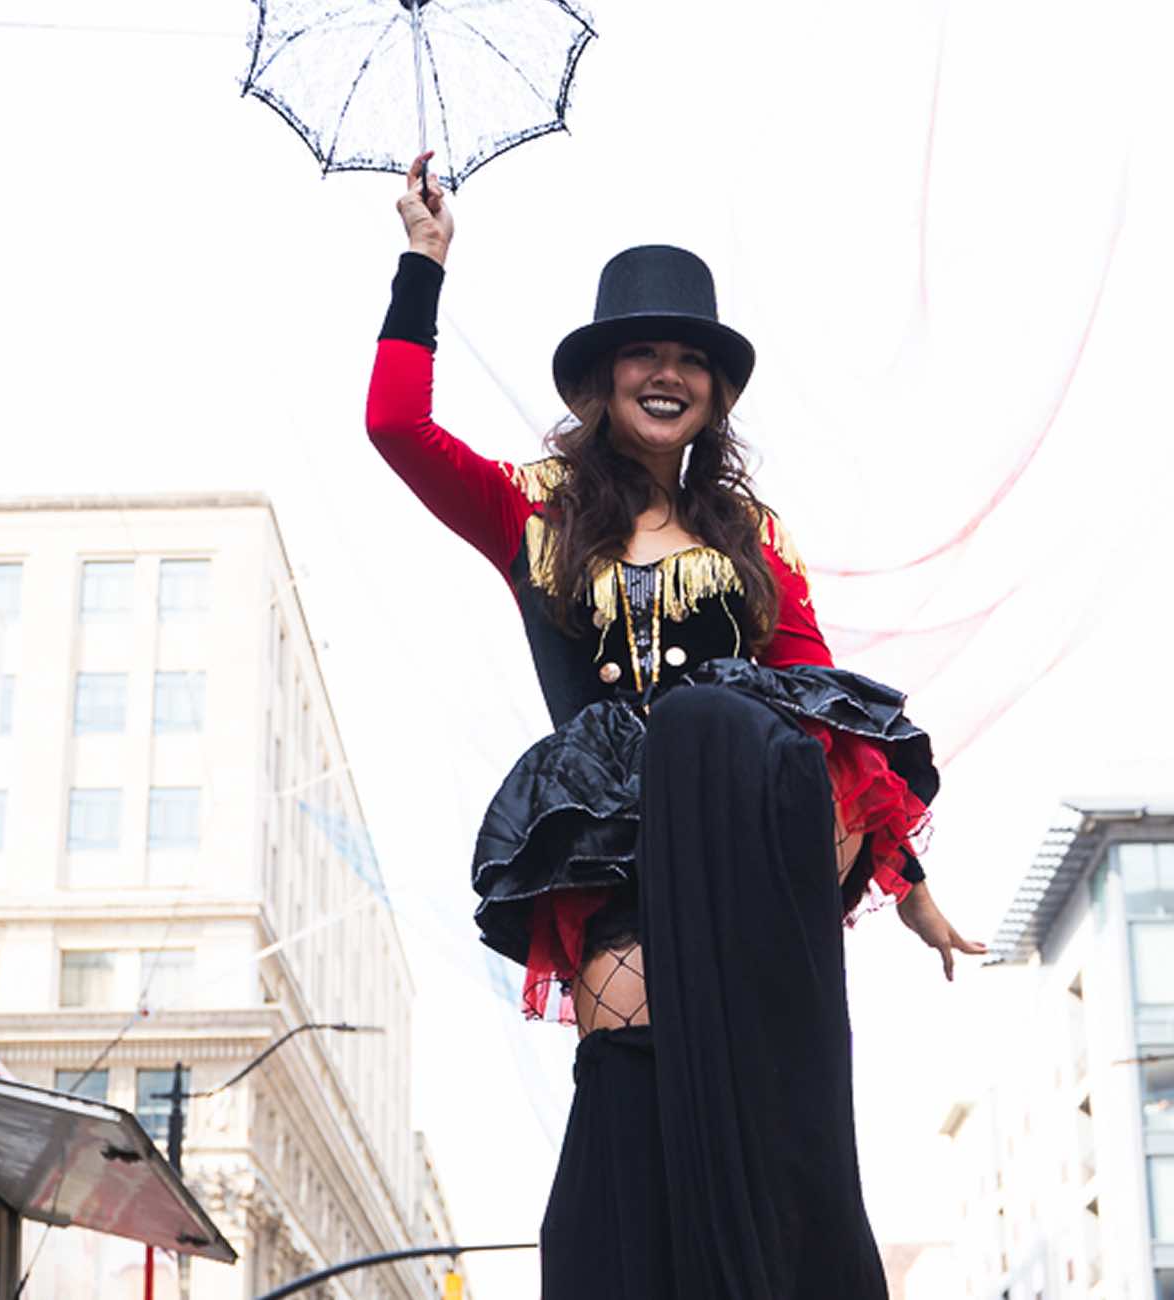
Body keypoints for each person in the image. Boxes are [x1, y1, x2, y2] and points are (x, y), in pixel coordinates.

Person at [365, 153, 986, 1299]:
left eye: (688, 359)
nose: (665, 374)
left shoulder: (753, 534)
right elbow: (396, 427)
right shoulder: (530, 509)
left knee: (759, 1095)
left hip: (742, 840)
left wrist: (905, 886)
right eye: (641, 356)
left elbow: (821, 703)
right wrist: (422, 264)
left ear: (716, 392)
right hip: (614, 839)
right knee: (625, 1088)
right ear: (599, 383)